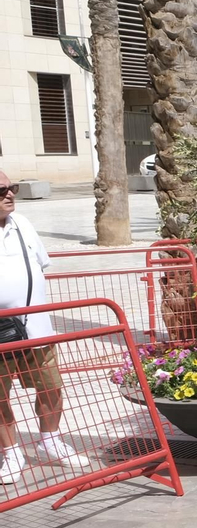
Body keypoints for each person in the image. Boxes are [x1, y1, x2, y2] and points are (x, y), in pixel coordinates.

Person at [0, 170, 91, 485]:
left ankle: (50, 440)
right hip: (0, 336)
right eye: (2, 191)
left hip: (37, 330)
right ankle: (11, 453)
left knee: (51, 388)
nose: (10, 194)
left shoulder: (22, 224)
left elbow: (39, 264)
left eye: (12, 188)